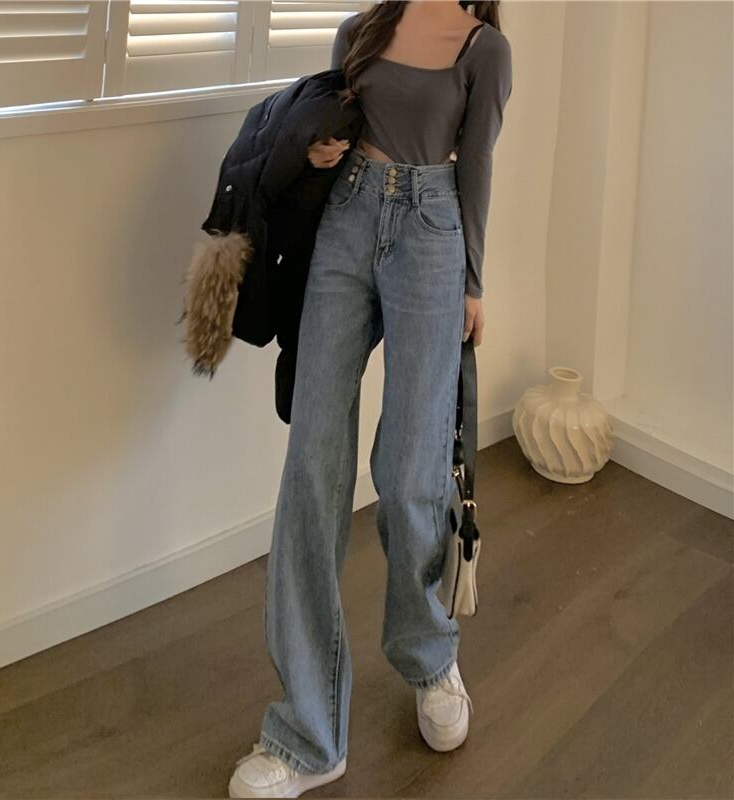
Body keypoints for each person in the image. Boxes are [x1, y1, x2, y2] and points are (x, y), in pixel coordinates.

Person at [228, 2, 512, 797]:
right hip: (347, 221)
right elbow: (336, 123)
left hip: (433, 232)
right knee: (313, 466)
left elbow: (477, 163)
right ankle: (307, 733)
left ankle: (429, 656)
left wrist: (474, 282)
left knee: (412, 473)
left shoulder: (486, 50)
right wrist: (320, 153)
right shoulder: (359, 31)